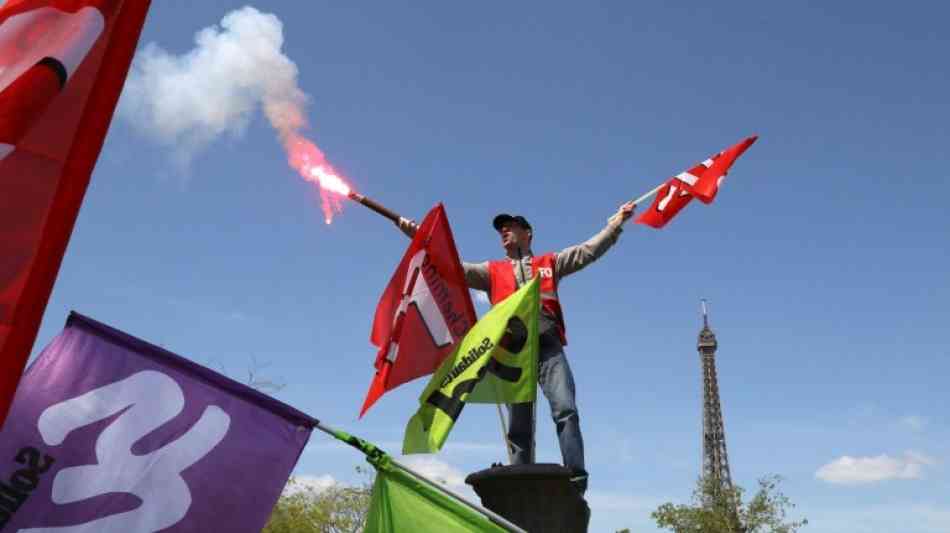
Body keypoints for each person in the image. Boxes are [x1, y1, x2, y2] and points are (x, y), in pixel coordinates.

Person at [396, 201, 635, 495]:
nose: (504, 232)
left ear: (528, 233)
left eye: (511, 227)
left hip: (548, 347)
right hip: (513, 356)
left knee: (566, 410)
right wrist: (420, 238)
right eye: (501, 230)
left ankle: (576, 478)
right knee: (519, 428)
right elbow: (452, 267)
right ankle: (521, 484)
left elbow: (587, 251)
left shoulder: (550, 264)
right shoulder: (490, 272)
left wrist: (615, 225)